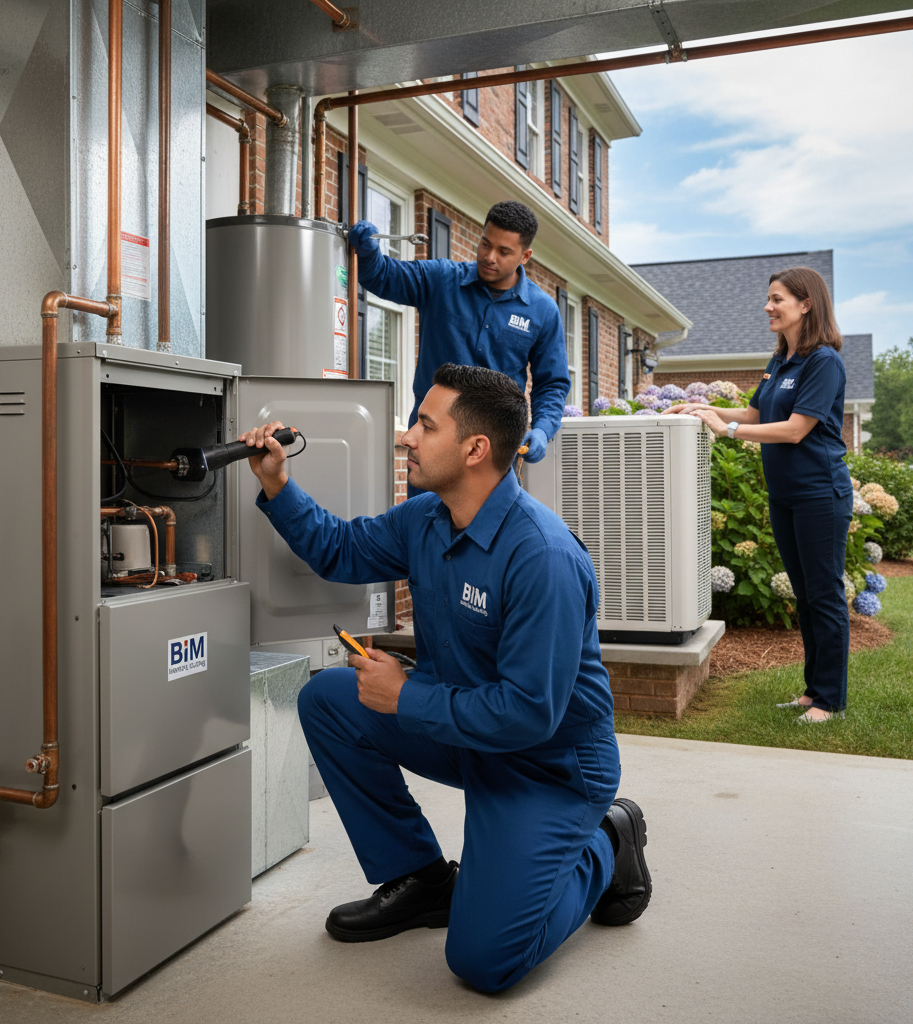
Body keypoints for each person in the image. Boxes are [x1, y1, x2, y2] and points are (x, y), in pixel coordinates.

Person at [240, 363, 651, 993]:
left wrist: (406, 695)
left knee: (485, 963)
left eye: (424, 425)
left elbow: (528, 713)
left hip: (548, 765)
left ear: (475, 449)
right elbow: (342, 550)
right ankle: (424, 880)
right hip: (466, 733)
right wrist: (277, 484)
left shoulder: (541, 557)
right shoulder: (426, 519)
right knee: (330, 697)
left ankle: (604, 842)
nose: (406, 437)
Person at [667, 267, 852, 724]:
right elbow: (754, 411)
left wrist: (726, 429)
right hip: (786, 496)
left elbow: (794, 430)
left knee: (824, 594)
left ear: (806, 304)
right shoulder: (781, 360)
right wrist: (704, 408)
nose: (768, 307)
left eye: (777, 299)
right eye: (768, 299)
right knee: (805, 596)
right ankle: (813, 693)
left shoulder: (822, 362)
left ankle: (829, 700)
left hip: (819, 494)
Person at [348, 200, 570, 485]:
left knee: (490, 529)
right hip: (431, 438)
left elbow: (552, 383)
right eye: (485, 244)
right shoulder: (441, 279)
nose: (490, 257)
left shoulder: (543, 310)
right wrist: (368, 254)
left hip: (495, 447)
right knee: (425, 526)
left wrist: (542, 429)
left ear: (525, 256)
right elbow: (383, 276)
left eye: (504, 252)